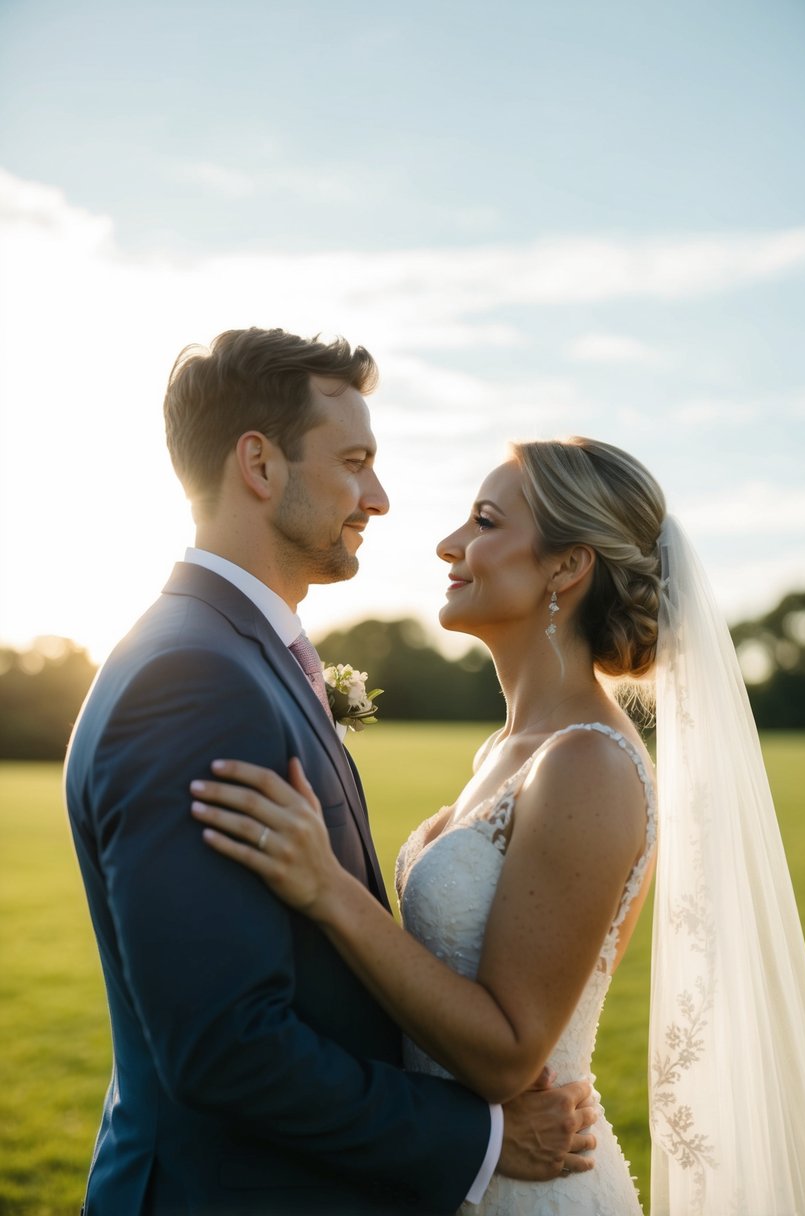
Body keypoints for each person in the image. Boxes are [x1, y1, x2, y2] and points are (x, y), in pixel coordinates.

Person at [191, 436, 805, 1215]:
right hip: (455, 1169)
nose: (448, 544)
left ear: (566, 566)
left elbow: (505, 1054)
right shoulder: (506, 749)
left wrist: (328, 889)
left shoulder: (586, 765)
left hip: (528, 1190)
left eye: (485, 522)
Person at [64, 328, 599, 1216]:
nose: (380, 498)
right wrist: (486, 1137)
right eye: (354, 461)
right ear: (259, 466)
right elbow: (226, 1044)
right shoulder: (195, 679)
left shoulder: (235, 655)